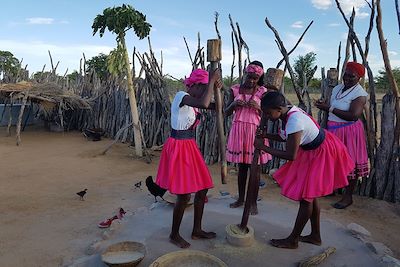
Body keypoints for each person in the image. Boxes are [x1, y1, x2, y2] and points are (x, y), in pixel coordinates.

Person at [254, 91, 354, 249]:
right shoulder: (287, 113)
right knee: (310, 196)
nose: (266, 116)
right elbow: (285, 136)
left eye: (267, 113)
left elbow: (290, 155)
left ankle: (293, 240)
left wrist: (263, 147)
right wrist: (267, 135)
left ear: (278, 108)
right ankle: (315, 236)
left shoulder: (294, 120)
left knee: (306, 198)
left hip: (321, 152)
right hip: (312, 150)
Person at [155, 68, 222, 249]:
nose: (202, 91)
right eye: (202, 87)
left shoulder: (194, 102)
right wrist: (211, 82)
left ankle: (197, 230)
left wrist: (218, 90)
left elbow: (218, 108)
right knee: (184, 195)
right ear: (194, 86)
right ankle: (174, 234)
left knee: (202, 189)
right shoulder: (181, 96)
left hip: (189, 146)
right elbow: (206, 102)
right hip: (178, 146)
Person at [315, 62, 369, 209]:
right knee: (332, 161)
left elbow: (353, 115)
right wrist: (323, 105)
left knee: (350, 163)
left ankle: (348, 196)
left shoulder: (360, 94)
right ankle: (331, 189)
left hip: (349, 131)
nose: (347, 78)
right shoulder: (338, 88)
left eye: (352, 76)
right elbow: (332, 106)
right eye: (346, 74)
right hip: (333, 130)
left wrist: (329, 108)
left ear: (359, 78)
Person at [225, 61, 272, 215]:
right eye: (249, 77)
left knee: (255, 169)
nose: (251, 81)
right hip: (238, 130)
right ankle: (240, 199)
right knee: (242, 168)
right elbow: (225, 112)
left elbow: (270, 114)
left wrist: (259, 108)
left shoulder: (263, 92)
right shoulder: (236, 89)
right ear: (245, 74)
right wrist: (233, 105)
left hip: (254, 131)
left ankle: (253, 202)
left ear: (259, 78)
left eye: (255, 78)